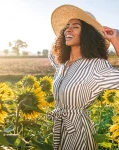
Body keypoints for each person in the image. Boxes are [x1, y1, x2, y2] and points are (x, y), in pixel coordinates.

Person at [47, 4, 119, 150]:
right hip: (59, 129)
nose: (68, 29)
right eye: (67, 26)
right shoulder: (62, 64)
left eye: (76, 26)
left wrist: (116, 39)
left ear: (87, 34)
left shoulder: (97, 66)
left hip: (78, 132)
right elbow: (51, 53)